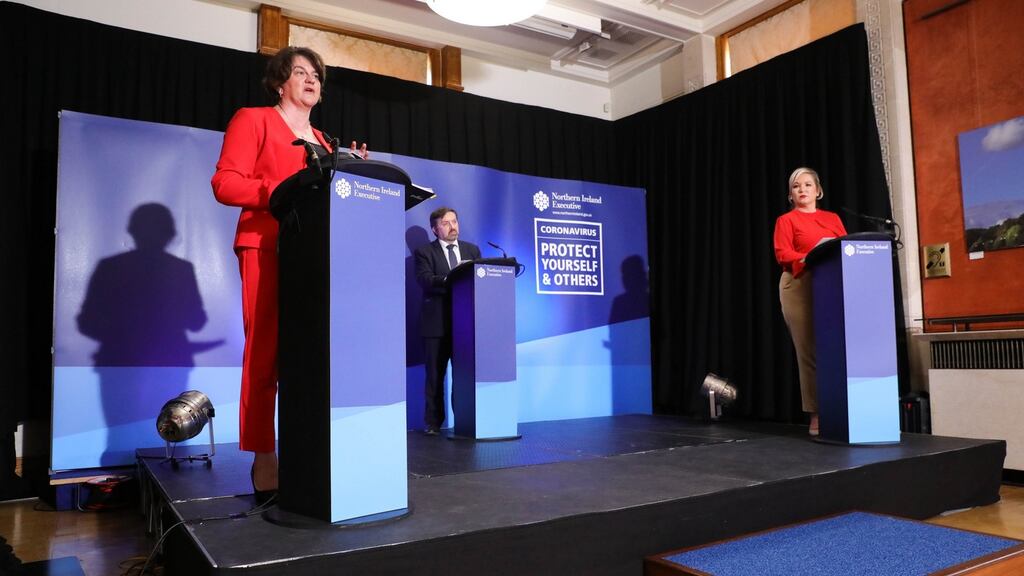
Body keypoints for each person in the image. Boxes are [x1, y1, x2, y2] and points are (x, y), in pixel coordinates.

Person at [212, 46, 366, 502]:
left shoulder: (325, 140)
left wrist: (353, 173)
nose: (311, 78)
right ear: (281, 82)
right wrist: (280, 189)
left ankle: (311, 449)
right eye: (300, 71)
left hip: (315, 254)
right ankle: (264, 456)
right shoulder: (254, 119)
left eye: (316, 73)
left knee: (312, 357)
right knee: (265, 352)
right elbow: (225, 183)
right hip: (267, 246)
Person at [773, 167, 847, 436]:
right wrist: (807, 257)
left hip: (832, 284)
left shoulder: (833, 218)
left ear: (818, 190)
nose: (802, 190)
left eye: (807, 185)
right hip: (799, 284)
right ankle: (816, 413)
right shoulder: (786, 220)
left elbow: (845, 247)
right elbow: (783, 252)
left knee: (835, 348)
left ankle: (841, 408)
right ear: (791, 195)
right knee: (809, 352)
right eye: (796, 186)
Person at [414, 207, 481, 435]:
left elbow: (480, 281)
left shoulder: (472, 250)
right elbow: (425, 280)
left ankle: (464, 420)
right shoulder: (425, 252)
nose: (453, 226)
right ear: (435, 229)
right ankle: (433, 423)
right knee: (435, 376)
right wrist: (452, 279)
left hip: (465, 326)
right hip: (436, 325)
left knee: (463, 377)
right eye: (446, 223)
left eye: (455, 221)